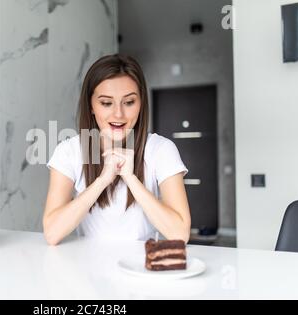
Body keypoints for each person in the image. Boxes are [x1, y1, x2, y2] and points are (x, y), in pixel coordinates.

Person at [43, 54, 191, 245]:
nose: (118, 114)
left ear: (140, 104)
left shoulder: (162, 150)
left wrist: (131, 178)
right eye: (106, 103)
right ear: (91, 106)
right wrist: (102, 180)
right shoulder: (68, 151)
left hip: (141, 268)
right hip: (85, 268)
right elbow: (52, 233)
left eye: (129, 102)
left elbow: (180, 234)